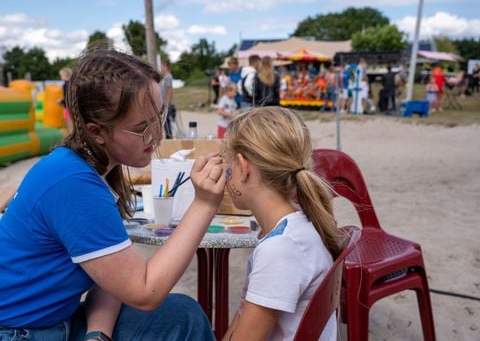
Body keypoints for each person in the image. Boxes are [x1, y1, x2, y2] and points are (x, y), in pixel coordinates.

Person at [0, 49, 225, 340]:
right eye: (142, 127)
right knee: (179, 315)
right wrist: (204, 203)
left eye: (158, 117)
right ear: (97, 132)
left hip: (52, 323)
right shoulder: (73, 184)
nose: (156, 135)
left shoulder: (84, 168)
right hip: (20, 332)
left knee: (182, 314)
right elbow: (144, 291)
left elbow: (110, 274)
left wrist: (98, 334)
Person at [221, 107, 343, 341]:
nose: (226, 175)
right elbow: (243, 316)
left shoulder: (280, 249)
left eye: (228, 166)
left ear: (243, 167)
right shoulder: (299, 227)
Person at [160, 59, 175, 138]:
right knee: (165, 123)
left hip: (167, 104)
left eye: (162, 66)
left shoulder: (168, 76)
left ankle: (169, 138)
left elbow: (170, 90)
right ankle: (168, 137)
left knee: (167, 123)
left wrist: (167, 103)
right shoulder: (164, 77)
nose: (161, 68)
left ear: (166, 66)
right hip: (164, 103)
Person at [58, 66, 73, 132]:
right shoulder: (73, 83)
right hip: (72, 106)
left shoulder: (65, 85)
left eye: (61, 75)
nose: (61, 77)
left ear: (65, 75)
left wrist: (61, 102)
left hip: (68, 107)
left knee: (69, 123)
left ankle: (72, 137)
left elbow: (67, 97)